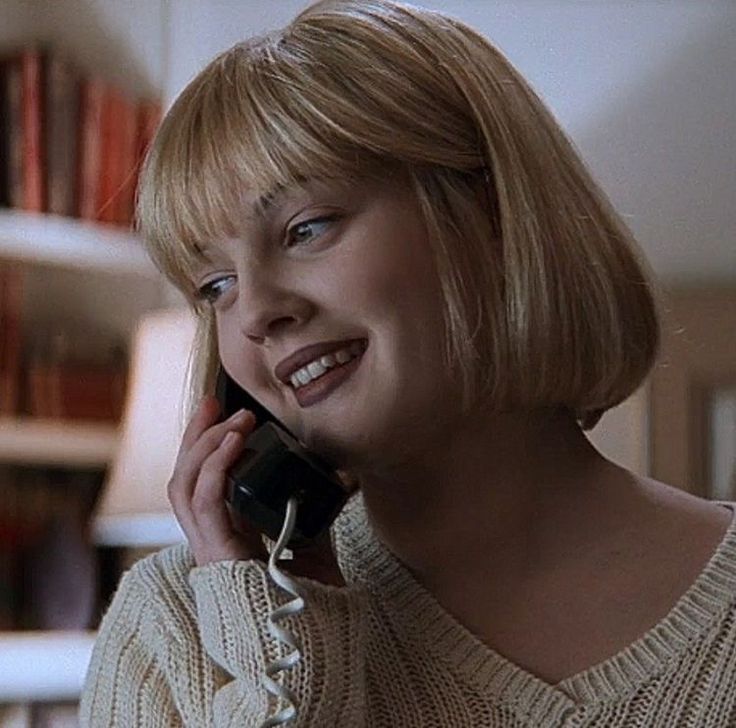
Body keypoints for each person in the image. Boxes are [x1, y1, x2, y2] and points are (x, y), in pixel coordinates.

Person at [79, 1, 736, 725]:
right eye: (215, 286)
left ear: (488, 212)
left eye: (306, 228)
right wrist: (289, 656)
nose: (258, 312)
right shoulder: (176, 630)